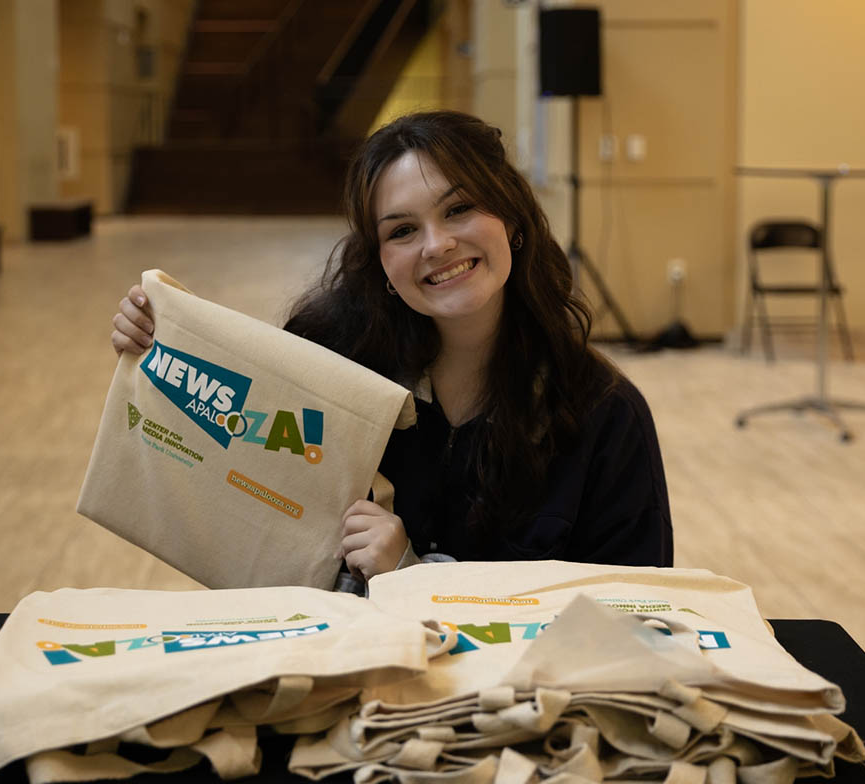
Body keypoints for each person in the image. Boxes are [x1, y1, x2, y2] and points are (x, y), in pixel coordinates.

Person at [112, 110, 672, 584]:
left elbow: (633, 616)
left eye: (459, 209)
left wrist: (408, 574)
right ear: (378, 260)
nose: (438, 245)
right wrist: (157, 346)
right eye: (402, 231)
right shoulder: (326, 367)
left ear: (512, 221)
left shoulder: (604, 413)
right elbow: (228, 483)